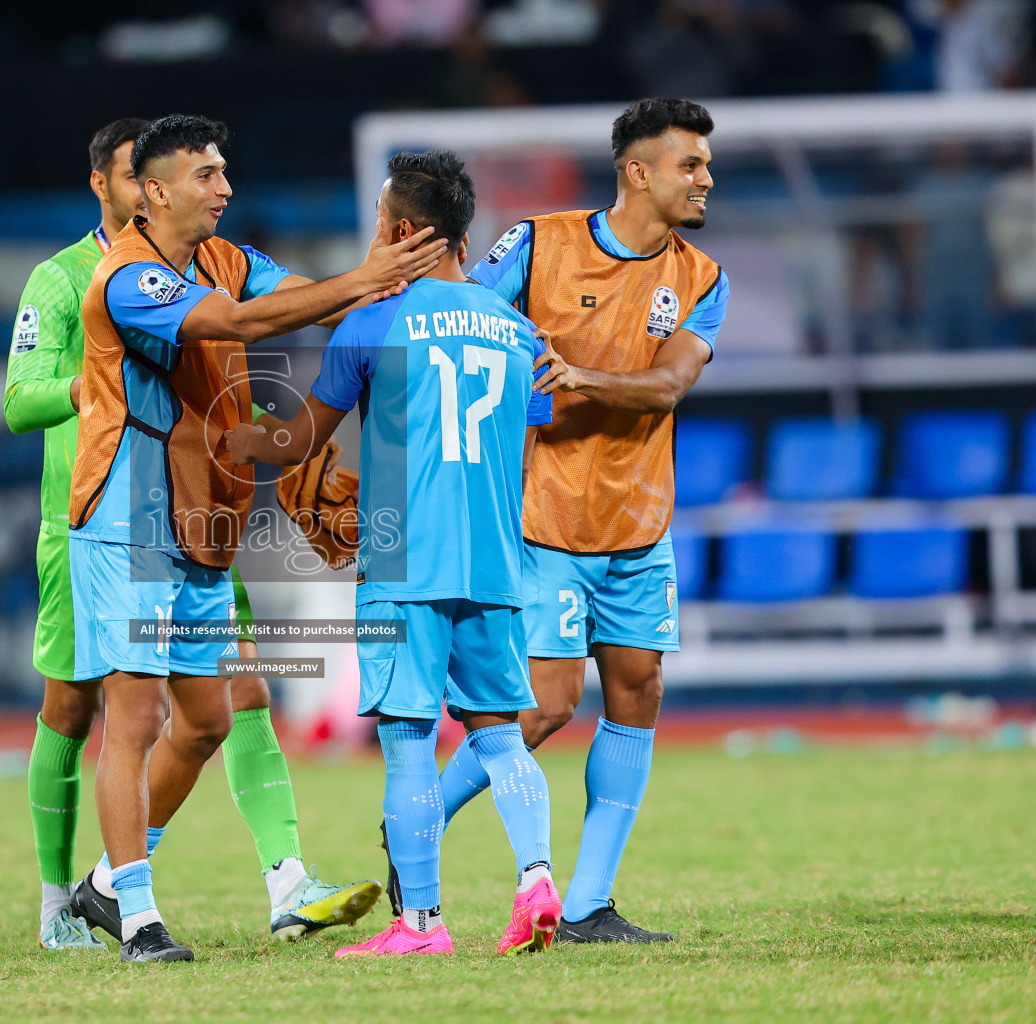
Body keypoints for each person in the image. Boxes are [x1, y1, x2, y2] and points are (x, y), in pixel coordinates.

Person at [62, 114, 447, 962]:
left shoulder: (223, 258)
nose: (224, 187)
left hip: (203, 522)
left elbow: (294, 295)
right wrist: (363, 277)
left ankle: (99, 884)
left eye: (225, 172)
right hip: (129, 521)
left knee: (204, 723)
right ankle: (138, 916)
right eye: (205, 175)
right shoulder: (125, 278)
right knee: (132, 713)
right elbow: (232, 327)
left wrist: (388, 287)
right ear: (155, 191)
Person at [228, 149, 558, 958]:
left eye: (379, 220)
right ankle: (537, 879)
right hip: (493, 557)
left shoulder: (372, 320)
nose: (374, 234)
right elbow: (531, 431)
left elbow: (300, 438)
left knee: (410, 738)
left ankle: (421, 927)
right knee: (500, 734)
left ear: (405, 230)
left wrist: (229, 439)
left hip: (405, 555)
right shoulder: (519, 330)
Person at [431, 97, 730, 943]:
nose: (706, 178)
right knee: (550, 702)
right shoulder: (536, 243)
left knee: (639, 693)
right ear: (638, 172)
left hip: (638, 526)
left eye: (706, 164)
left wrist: (575, 375)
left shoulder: (702, 278)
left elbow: (669, 385)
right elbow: (464, 321)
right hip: (543, 516)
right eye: (690, 164)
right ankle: (415, 827)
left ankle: (591, 902)